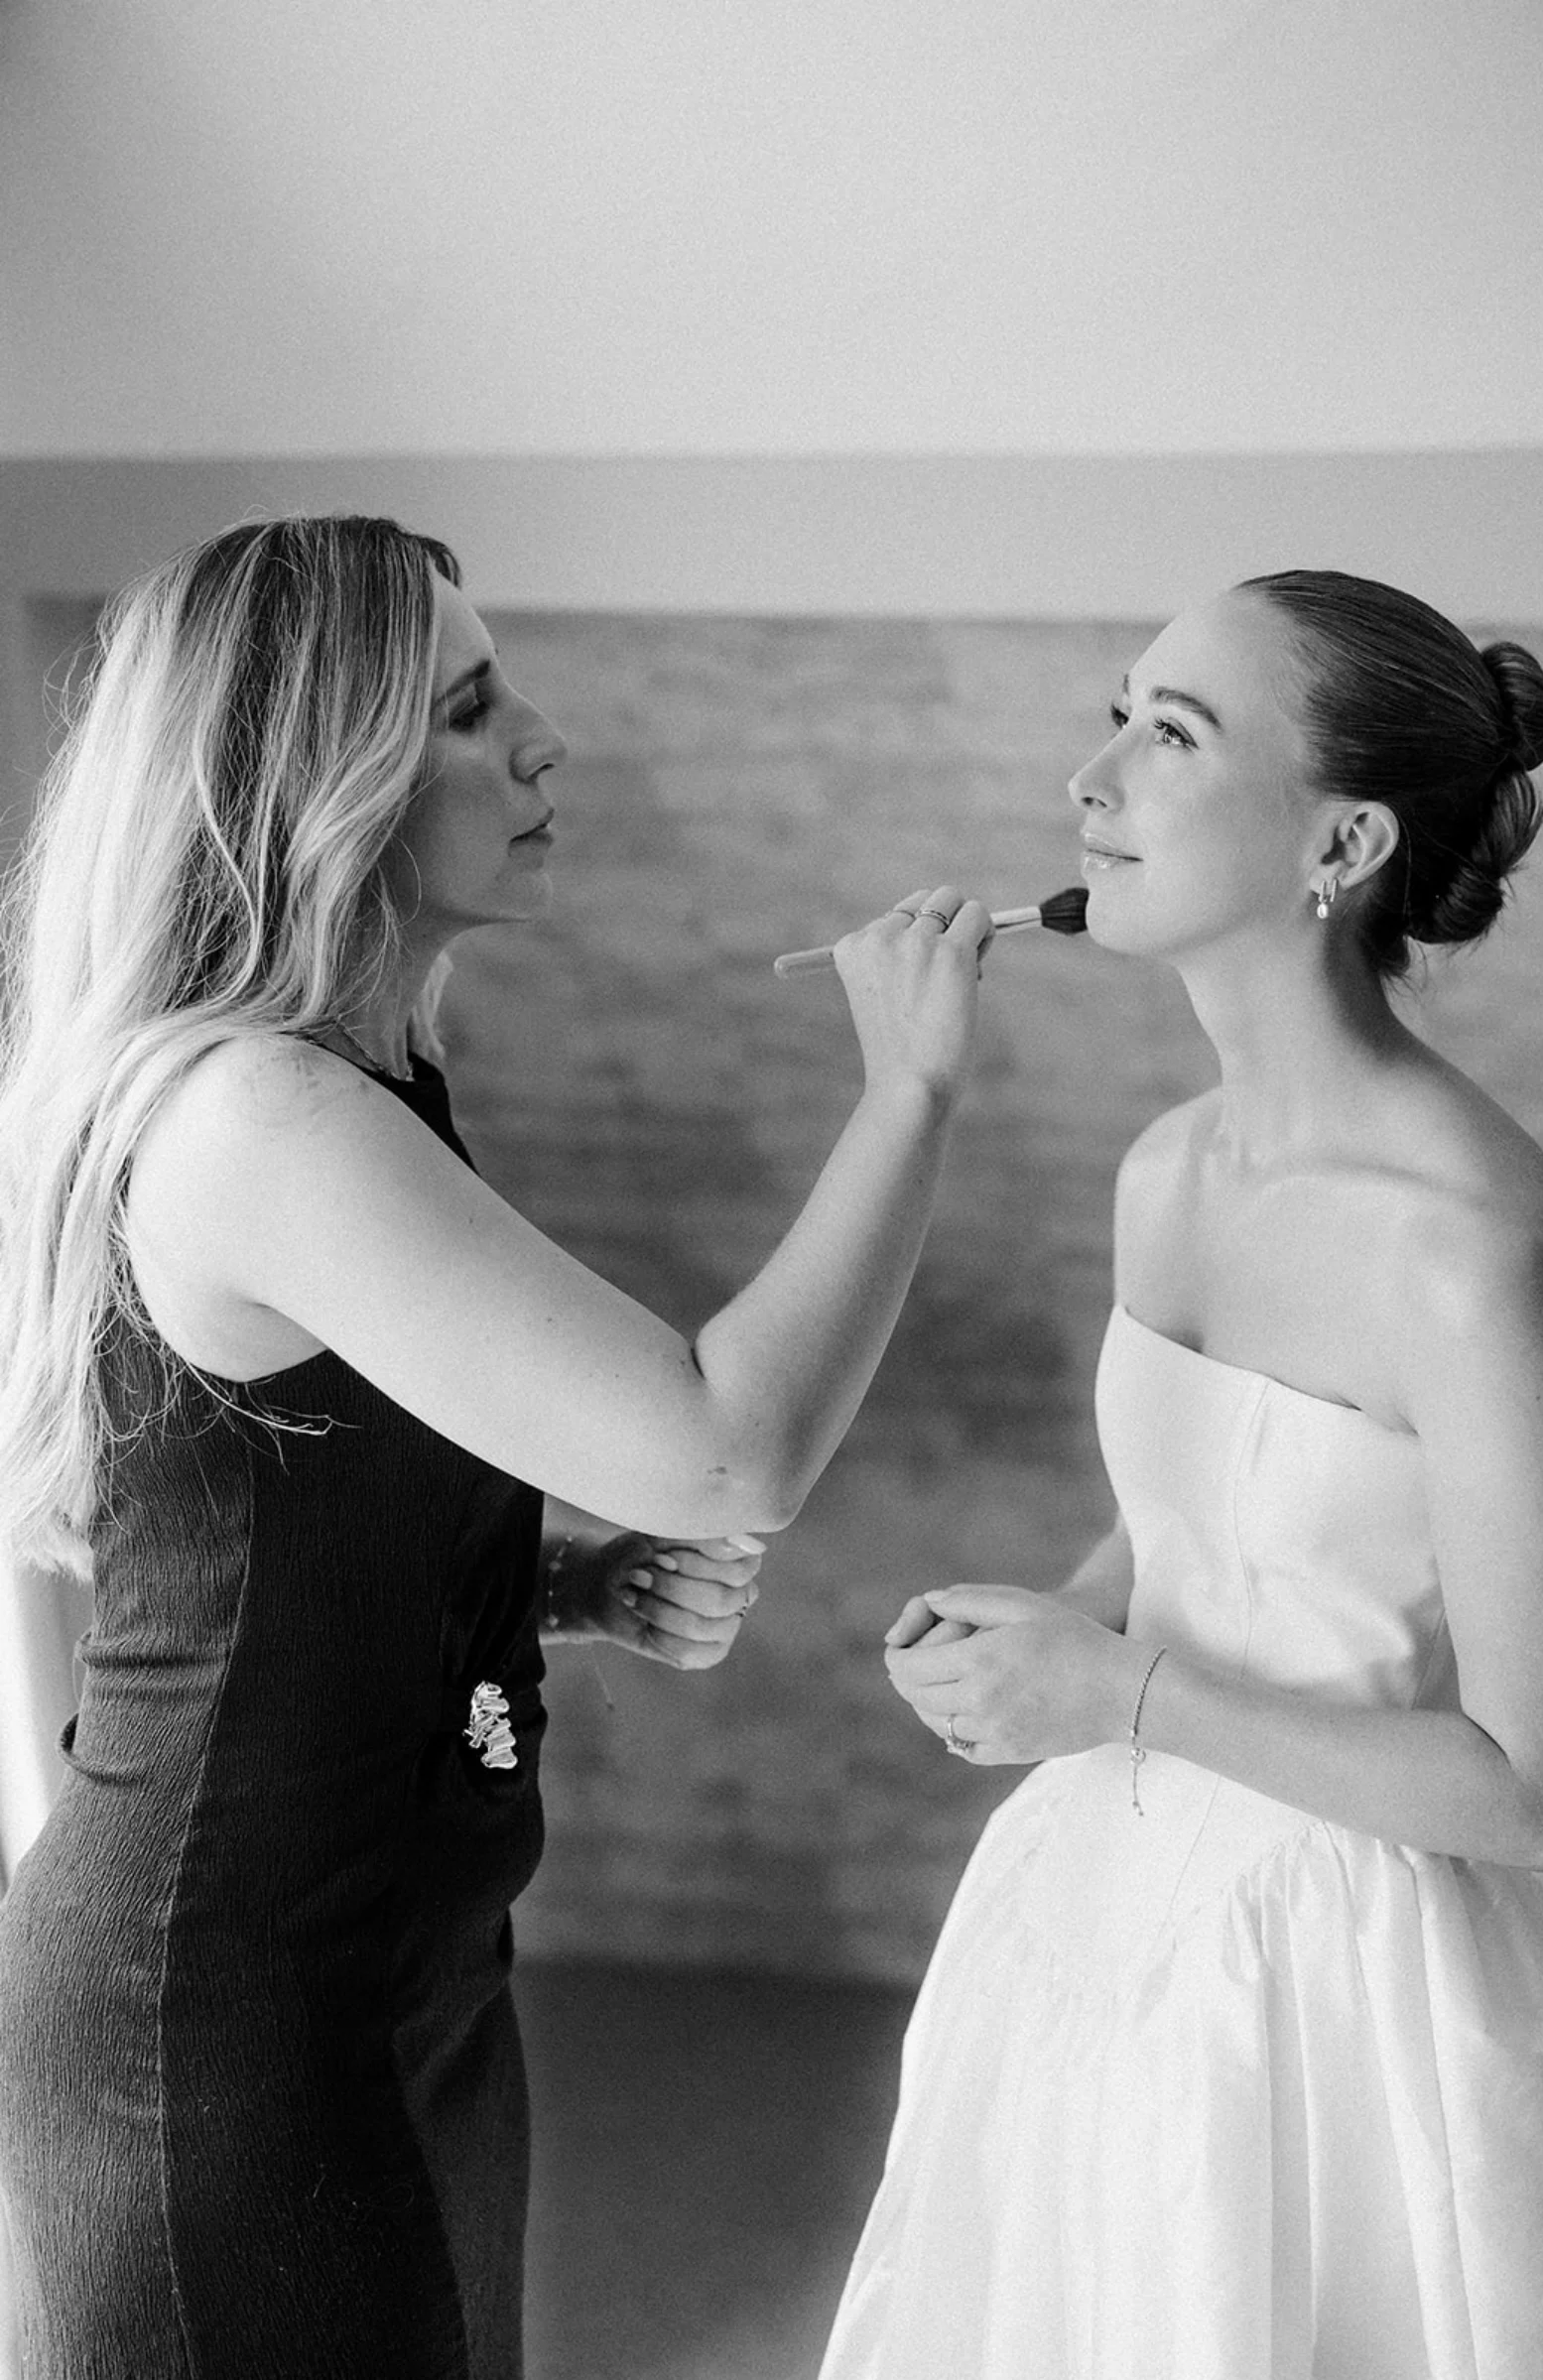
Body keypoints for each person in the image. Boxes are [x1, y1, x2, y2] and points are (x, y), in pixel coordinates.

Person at [0, 513, 992, 2380]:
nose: (545, 741)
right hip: (226, 2020)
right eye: (467, 709)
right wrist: (916, 1089)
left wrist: (556, 1584)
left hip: (399, 1976)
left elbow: (266, 1517)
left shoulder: (362, 1078)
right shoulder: (260, 1114)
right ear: (321, 785)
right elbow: (727, 1450)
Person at [821, 569, 1543, 2380]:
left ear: (1345, 842)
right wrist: (1052, 1624)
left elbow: (1542, 1793)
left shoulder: (1469, 1248)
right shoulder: (1165, 1168)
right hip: (1100, 1912)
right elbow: (1205, 1528)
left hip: (1342, 1988)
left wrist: (1113, 1689)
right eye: (1119, 715)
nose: (1091, 781)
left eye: (1172, 734)